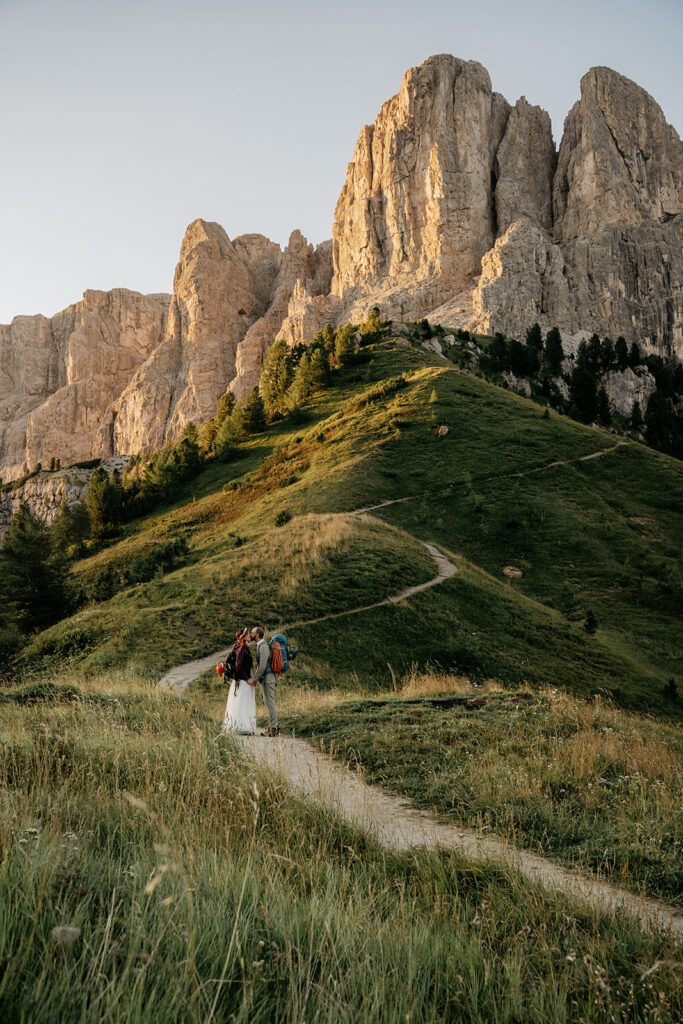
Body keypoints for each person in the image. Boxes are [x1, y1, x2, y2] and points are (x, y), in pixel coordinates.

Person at [222, 628, 256, 735]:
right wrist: (248, 678)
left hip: (242, 680)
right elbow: (238, 668)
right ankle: (242, 726)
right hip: (243, 681)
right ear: (244, 637)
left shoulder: (243, 648)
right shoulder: (242, 650)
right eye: (248, 634)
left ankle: (241, 726)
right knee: (243, 702)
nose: (250, 635)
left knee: (241, 702)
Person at [249, 626, 279, 736]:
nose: (250, 634)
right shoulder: (261, 646)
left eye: (252, 632)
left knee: (270, 702)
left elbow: (262, 666)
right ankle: (273, 726)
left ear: (257, 634)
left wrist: (254, 679)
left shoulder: (263, 647)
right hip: (267, 678)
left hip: (269, 677)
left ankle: (273, 729)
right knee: (268, 702)